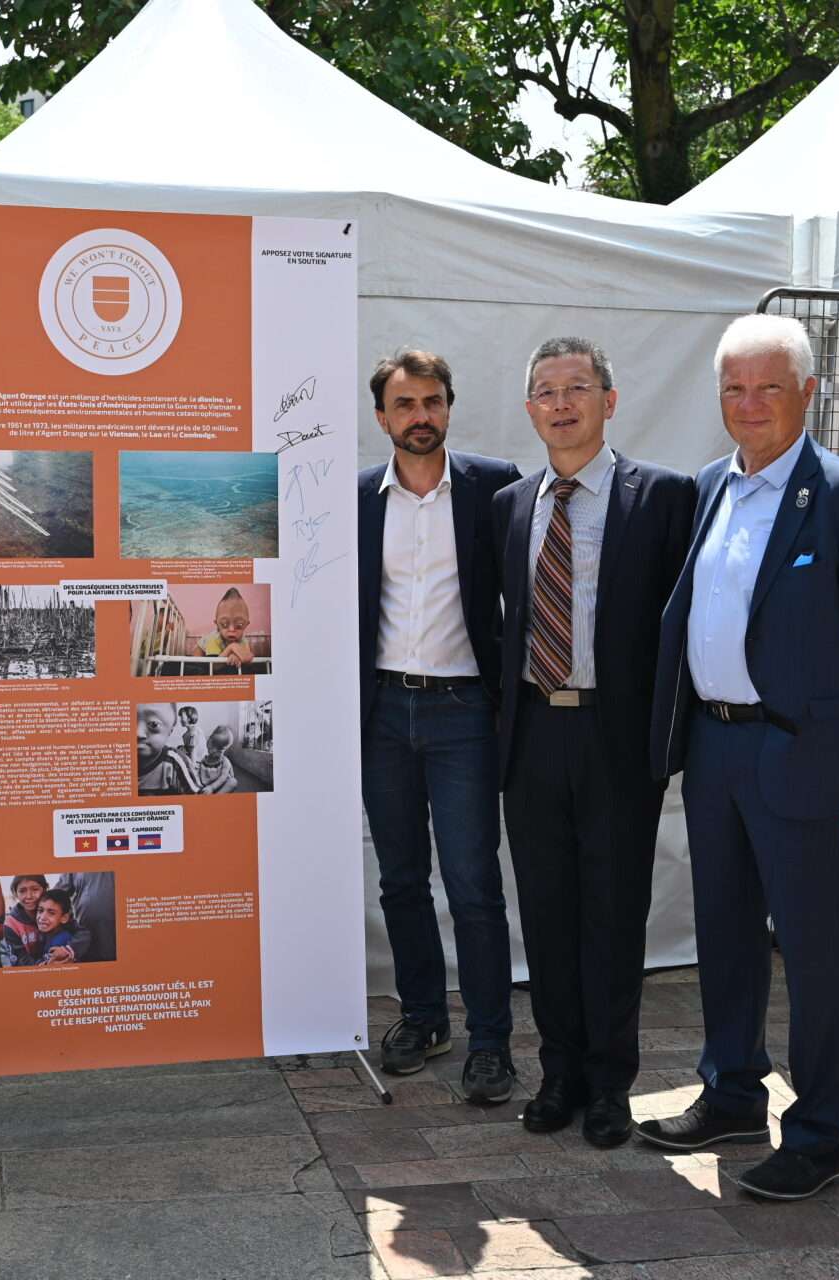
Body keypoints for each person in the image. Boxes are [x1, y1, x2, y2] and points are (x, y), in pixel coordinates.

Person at [642, 315, 839, 1201]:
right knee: (724, 936)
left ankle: (821, 1134)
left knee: (809, 949)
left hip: (800, 756)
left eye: (768, 387)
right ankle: (732, 1095)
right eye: (734, 387)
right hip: (715, 747)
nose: (749, 403)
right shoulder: (708, 488)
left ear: (807, 392)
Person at [489, 339, 696, 1146]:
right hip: (533, 733)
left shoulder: (663, 496)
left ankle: (611, 1085)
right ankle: (560, 1074)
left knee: (613, 914)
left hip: (616, 737)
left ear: (610, 400)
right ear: (530, 409)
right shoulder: (511, 505)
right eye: (546, 391)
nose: (561, 403)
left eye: (577, 387)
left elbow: (681, 628)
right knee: (545, 915)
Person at [357, 349, 521, 1103]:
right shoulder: (358, 497)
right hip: (383, 712)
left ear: (449, 407)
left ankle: (491, 1042)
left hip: (465, 714)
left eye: (431, 402)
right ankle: (424, 1019)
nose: (419, 416)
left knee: (473, 884)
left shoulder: (496, 485)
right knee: (400, 879)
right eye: (404, 404)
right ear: (382, 416)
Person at [136, 702, 205, 794]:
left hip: (197, 763)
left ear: (189, 717)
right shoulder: (189, 733)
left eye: (182, 716)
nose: (180, 719)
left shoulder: (193, 734)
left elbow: (193, 754)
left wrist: (191, 768)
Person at [200, 588, 255, 668]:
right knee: (198, 666)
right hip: (202, 650)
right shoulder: (213, 639)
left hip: (221, 657)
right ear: (217, 624)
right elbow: (213, 666)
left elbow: (247, 657)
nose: (231, 629)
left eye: (239, 625)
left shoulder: (244, 641)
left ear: (246, 625)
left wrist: (237, 656)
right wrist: (231, 648)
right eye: (224, 624)